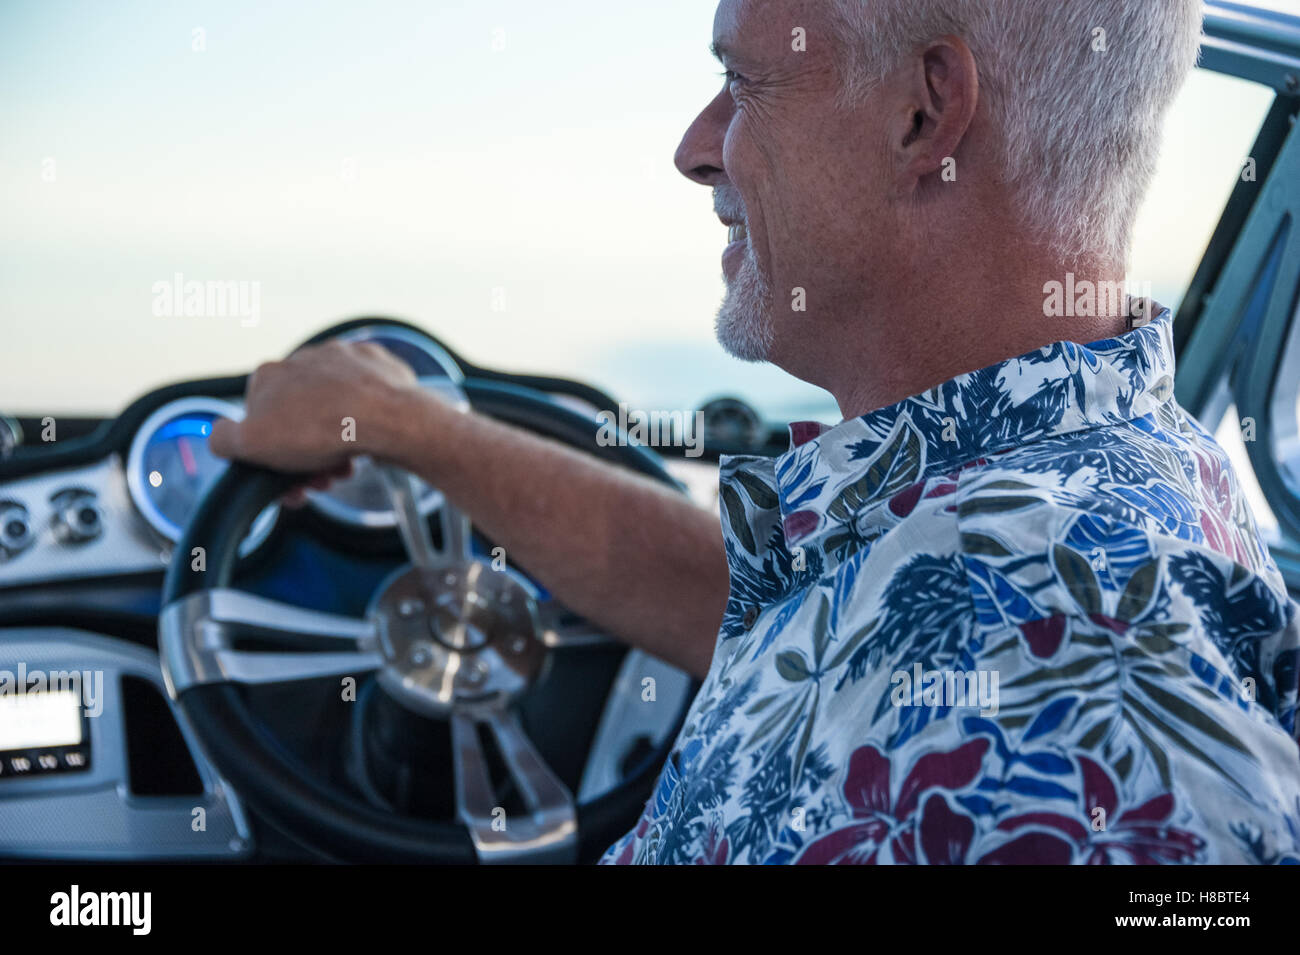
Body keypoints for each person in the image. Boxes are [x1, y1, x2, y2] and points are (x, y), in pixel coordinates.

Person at [211, 0, 1300, 864]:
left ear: (924, 114)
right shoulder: (1064, 476)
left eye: (744, 82)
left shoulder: (1065, 681)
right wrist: (414, 429)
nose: (696, 148)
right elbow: (801, 626)